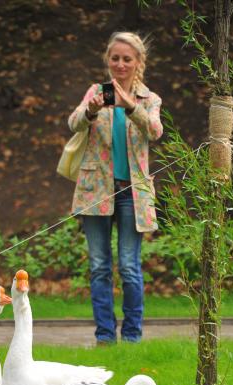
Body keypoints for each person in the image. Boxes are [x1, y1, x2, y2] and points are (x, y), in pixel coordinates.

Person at [68, 32, 163, 345]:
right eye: (115, 58)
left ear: (138, 62)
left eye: (127, 59)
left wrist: (131, 106)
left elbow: (155, 131)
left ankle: (133, 337)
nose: (120, 64)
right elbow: (74, 122)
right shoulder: (96, 92)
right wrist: (92, 110)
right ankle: (105, 338)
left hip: (132, 195)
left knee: (130, 267)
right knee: (98, 267)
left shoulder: (149, 99)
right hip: (96, 189)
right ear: (107, 60)